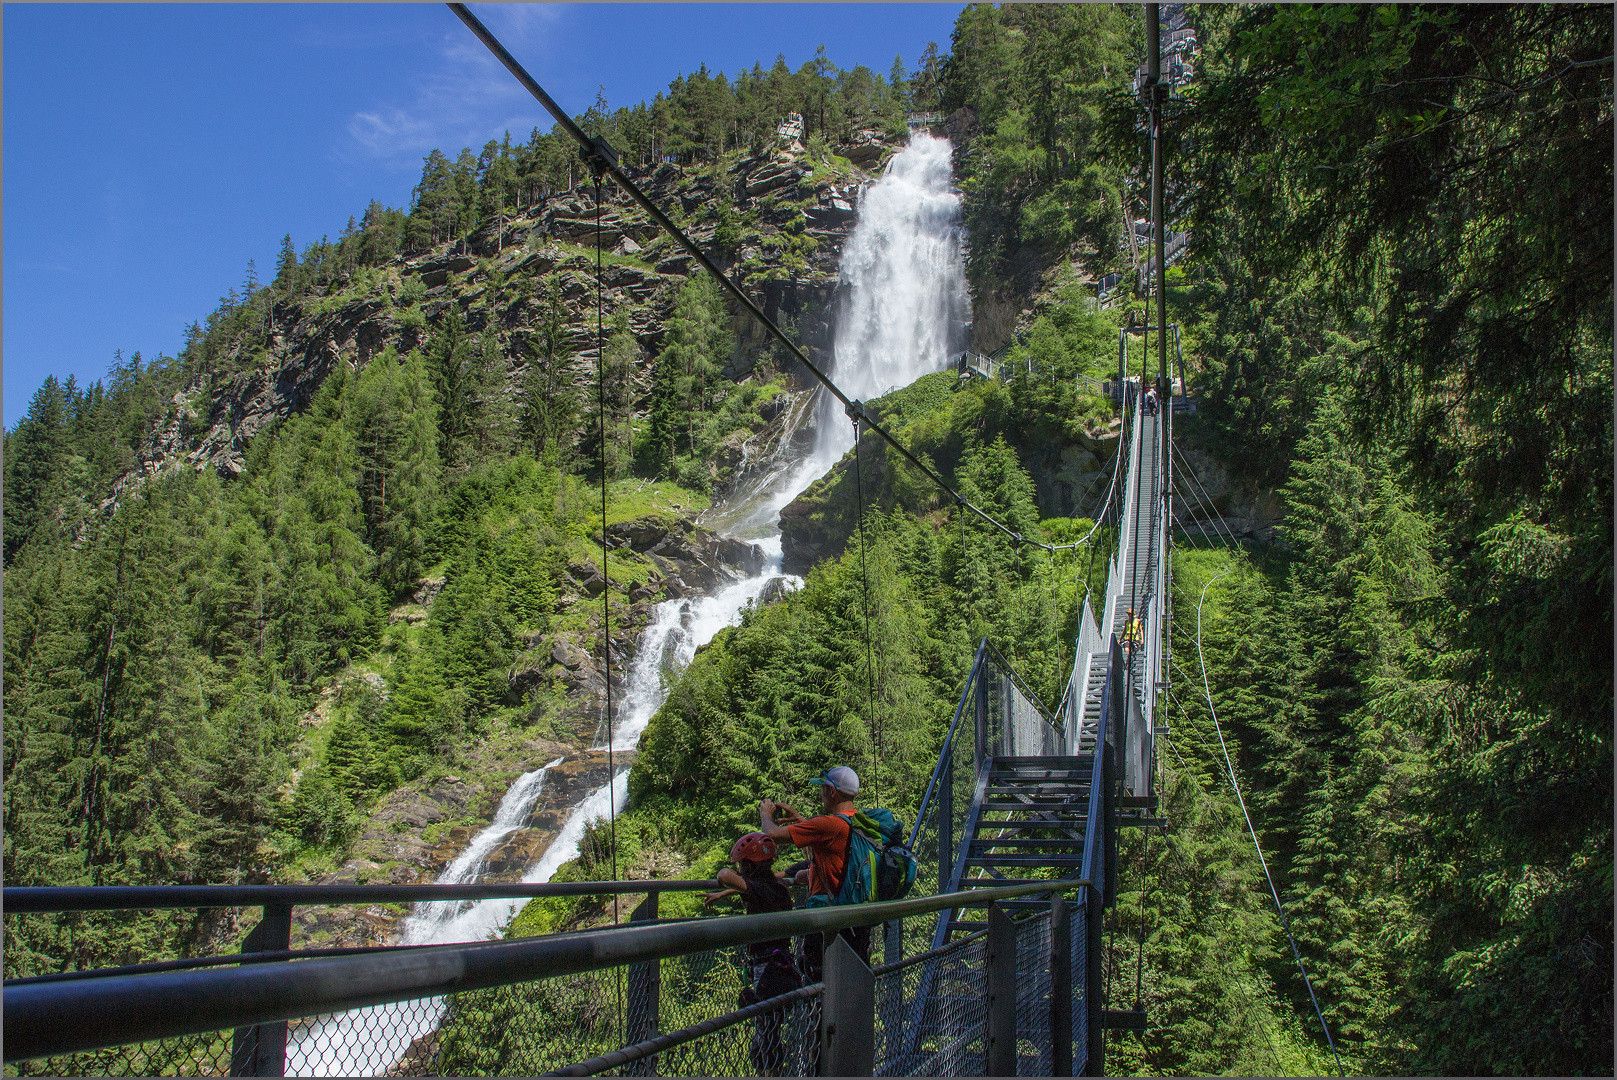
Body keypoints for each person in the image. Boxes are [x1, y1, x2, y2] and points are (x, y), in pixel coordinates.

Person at [759, 765, 873, 981]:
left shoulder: (828, 825)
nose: (820, 795)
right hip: (856, 921)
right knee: (852, 988)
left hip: (827, 925)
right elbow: (830, 847)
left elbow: (771, 834)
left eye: (822, 789)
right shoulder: (860, 824)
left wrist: (766, 814)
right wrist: (800, 820)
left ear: (832, 792)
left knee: (820, 989)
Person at [704, 832, 800, 1076]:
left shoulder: (758, 889)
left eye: (742, 864)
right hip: (783, 963)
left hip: (766, 968)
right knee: (771, 1029)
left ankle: (770, 1074)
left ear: (748, 864)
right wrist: (726, 893)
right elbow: (753, 888)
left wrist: (728, 884)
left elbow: (725, 876)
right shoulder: (775, 887)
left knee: (766, 1033)